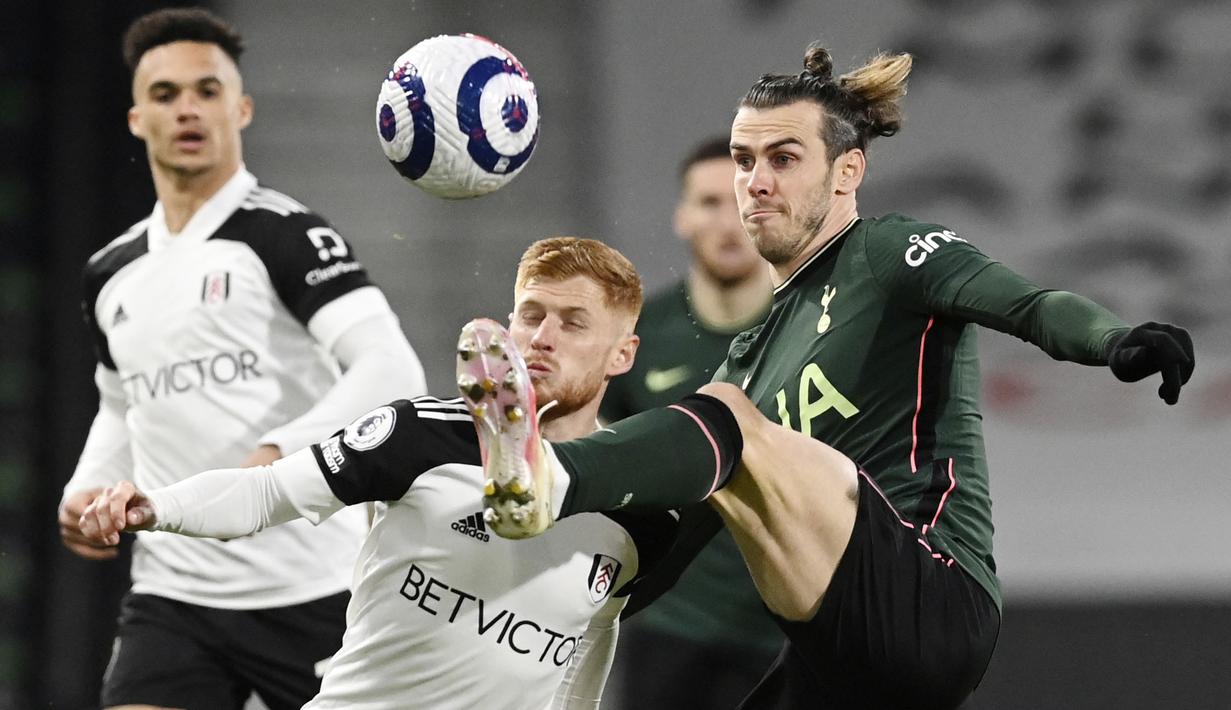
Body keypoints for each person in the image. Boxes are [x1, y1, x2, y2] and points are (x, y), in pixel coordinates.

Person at [466, 44, 1196, 710]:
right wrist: (566, 602)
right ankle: (542, 495)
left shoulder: (886, 251)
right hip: (833, 649)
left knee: (720, 409)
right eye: (742, 159)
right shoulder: (752, 352)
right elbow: (676, 531)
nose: (753, 183)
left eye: (781, 158)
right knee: (716, 430)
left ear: (846, 171)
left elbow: (1029, 304)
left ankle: (548, 473)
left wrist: (1116, 340)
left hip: (929, 596)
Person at [78, 237, 681, 709]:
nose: (542, 338)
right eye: (530, 316)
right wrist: (154, 507)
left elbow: (584, 654)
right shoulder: (419, 435)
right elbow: (264, 495)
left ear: (622, 354)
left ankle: (542, 483)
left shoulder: (638, 507)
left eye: (573, 322)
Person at [56, 8, 427, 709]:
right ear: (137, 119)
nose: (188, 109)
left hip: (313, 582)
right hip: (175, 592)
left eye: (207, 89)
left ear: (242, 108)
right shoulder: (110, 272)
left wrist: (277, 453)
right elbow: (120, 400)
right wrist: (87, 486)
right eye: (166, 95)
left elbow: (391, 369)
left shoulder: (285, 234)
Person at [600, 137, 780, 707]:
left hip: (789, 633)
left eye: (740, 199)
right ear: (681, 216)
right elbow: (600, 465)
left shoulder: (817, 331)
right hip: (669, 629)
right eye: (708, 202)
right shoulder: (636, 336)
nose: (728, 221)